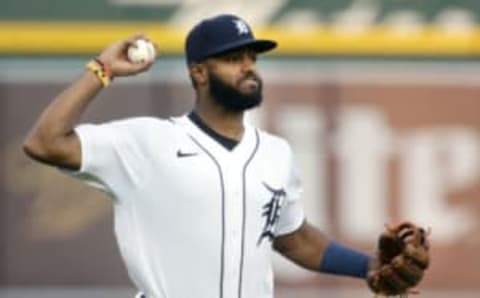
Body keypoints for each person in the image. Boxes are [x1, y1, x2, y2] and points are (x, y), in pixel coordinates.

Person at [23, 14, 428, 298]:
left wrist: (367, 267)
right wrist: (101, 70)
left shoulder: (275, 153)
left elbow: (293, 237)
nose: (249, 68)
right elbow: (45, 142)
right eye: (234, 59)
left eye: (252, 57)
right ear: (199, 72)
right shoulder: (146, 142)